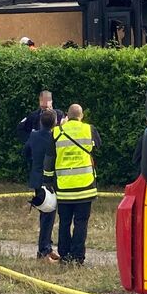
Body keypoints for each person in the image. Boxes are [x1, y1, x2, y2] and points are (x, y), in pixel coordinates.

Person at [46, 103, 100, 265]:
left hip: (64, 188)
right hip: (85, 187)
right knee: (81, 223)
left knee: (64, 222)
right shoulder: (89, 129)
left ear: (67, 117)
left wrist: (47, 180)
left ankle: (64, 255)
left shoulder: (56, 132)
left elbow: (49, 159)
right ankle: (78, 256)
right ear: (81, 116)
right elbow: (97, 146)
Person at [23, 109, 59, 262]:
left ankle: (47, 247)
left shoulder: (33, 135)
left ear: (40, 122)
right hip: (50, 180)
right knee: (48, 216)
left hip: (37, 179)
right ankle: (43, 251)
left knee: (47, 216)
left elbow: (25, 153)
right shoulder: (55, 137)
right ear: (55, 122)